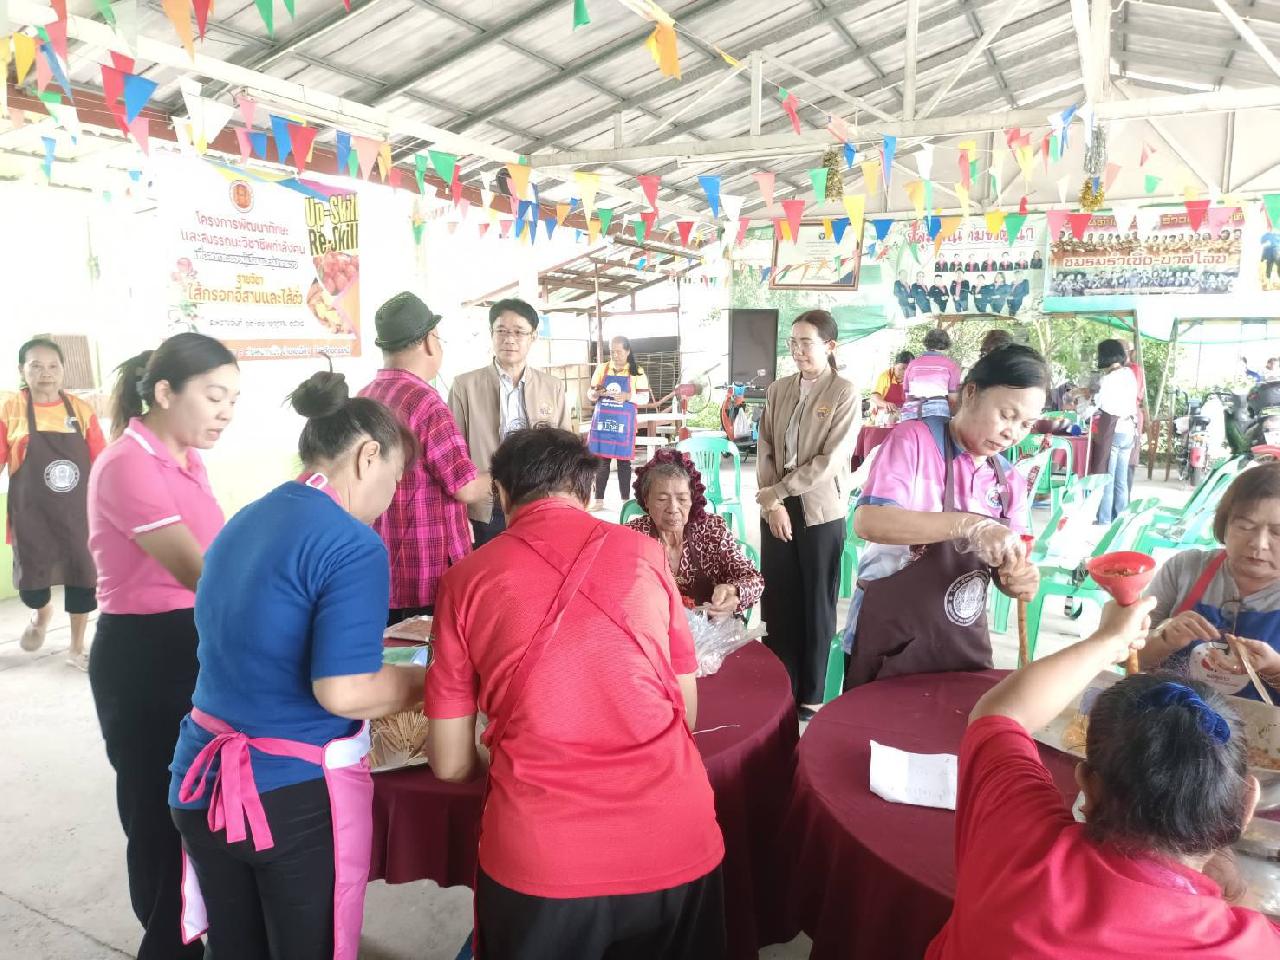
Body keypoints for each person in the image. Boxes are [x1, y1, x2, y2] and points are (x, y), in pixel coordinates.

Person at [424, 427, 726, 960]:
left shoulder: (464, 580)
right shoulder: (647, 555)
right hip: (675, 836)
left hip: (542, 857)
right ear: (585, 490)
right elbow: (687, 715)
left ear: (501, 494)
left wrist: (502, 756)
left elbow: (449, 765)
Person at [169, 371, 427, 959]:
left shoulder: (246, 519)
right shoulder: (352, 543)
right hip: (289, 797)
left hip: (199, 782)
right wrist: (433, 682)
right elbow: (345, 691)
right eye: (395, 479)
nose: (391, 499)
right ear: (367, 456)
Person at [926, 597, 1280, 959]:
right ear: (1246, 804)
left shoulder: (1018, 841)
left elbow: (999, 714)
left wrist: (1109, 639)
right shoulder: (1253, 948)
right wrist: (1237, 895)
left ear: (1088, 787)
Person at [86, 332, 240, 960]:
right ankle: (166, 946)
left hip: (193, 643)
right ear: (166, 392)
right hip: (145, 656)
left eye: (233, 400)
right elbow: (201, 574)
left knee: (199, 804)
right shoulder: (127, 463)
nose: (226, 412)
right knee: (157, 811)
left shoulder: (187, 459)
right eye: (214, 396)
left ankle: (201, 931)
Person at [843, 344, 1046, 688]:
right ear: (971, 393)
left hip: (960, 642)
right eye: (1006, 415)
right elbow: (869, 522)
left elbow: (1007, 570)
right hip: (893, 635)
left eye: (1026, 424)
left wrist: (1016, 578)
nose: (1012, 432)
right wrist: (970, 525)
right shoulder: (914, 441)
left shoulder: (1008, 481)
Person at [359, 292, 490, 624]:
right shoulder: (426, 404)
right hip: (427, 576)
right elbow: (466, 488)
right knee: (427, 654)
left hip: (380, 573)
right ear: (430, 342)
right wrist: (504, 472)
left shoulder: (364, 398)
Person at [756, 310, 857, 718]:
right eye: (793, 343)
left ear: (830, 346)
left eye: (806, 343)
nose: (797, 351)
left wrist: (777, 492)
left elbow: (829, 461)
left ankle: (812, 693)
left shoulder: (844, 392)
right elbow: (764, 447)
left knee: (817, 600)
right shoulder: (779, 389)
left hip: (820, 509)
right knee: (778, 598)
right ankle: (782, 685)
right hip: (777, 505)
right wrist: (772, 504)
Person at [2, 337, 105, 669]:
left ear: (62, 369)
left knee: (82, 581)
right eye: (36, 366)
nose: (45, 373)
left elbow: (101, 462)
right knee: (32, 587)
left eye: (53, 366)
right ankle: (41, 613)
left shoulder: (80, 410)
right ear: (22, 369)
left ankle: (76, 648)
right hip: (32, 517)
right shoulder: (10, 409)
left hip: (78, 516)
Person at [1139, 463, 1280, 702]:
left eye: (1278, 532)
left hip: (1258, 724)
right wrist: (1165, 639)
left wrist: (1274, 668)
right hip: (1169, 714)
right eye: (1245, 527)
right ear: (1224, 526)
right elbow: (1131, 659)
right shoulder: (1185, 568)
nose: (1259, 544)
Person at [449, 298, 570, 547]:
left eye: (518, 332)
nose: (509, 339)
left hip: (539, 498)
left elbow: (565, 450)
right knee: (491, 564)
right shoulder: (465, 386)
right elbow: (455, 455)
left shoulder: (552, 387)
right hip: (487, 501)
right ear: (491, 334)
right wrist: (460, 513)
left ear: (533, 336)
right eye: (501, 331)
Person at [626, 449, 763, 618]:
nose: (673, 508)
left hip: (710, 628)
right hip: (653, 628)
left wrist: (733, 591)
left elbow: (753, 579)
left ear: (692, 499)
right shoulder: (633, 536)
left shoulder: (712, 530)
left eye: (682, 499)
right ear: (646, 500)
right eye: (662, 499)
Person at [586, 335, 650, 511]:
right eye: (612, 351)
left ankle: (625, 501)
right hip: (603, 422)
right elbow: (590, 394)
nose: (614, 355)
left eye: (619, 351)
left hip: (623, 423)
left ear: (628, 351)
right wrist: (596, 393)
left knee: (623, 463)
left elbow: (644, 398)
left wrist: (628, 396)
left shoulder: (637, 371)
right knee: (602, 462)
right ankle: (598, 500)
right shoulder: (602, 368)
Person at [1089, 339, 1140, 525]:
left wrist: (1083, 403)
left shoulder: (1108, 379)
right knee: (1121, 480)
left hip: (1114, 431)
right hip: (1129, 430)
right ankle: (1120, 519)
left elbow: (1099, 405)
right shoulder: (1129, 374)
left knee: (1107, 479)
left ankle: (1104, 520)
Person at [901, 327, 961, 421]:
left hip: (910, 414)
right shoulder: (951, 366)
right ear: (946, 345)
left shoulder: (912, 365)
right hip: (937, 413)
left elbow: (906, 393)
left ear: (926, 344)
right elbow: (953, 399)